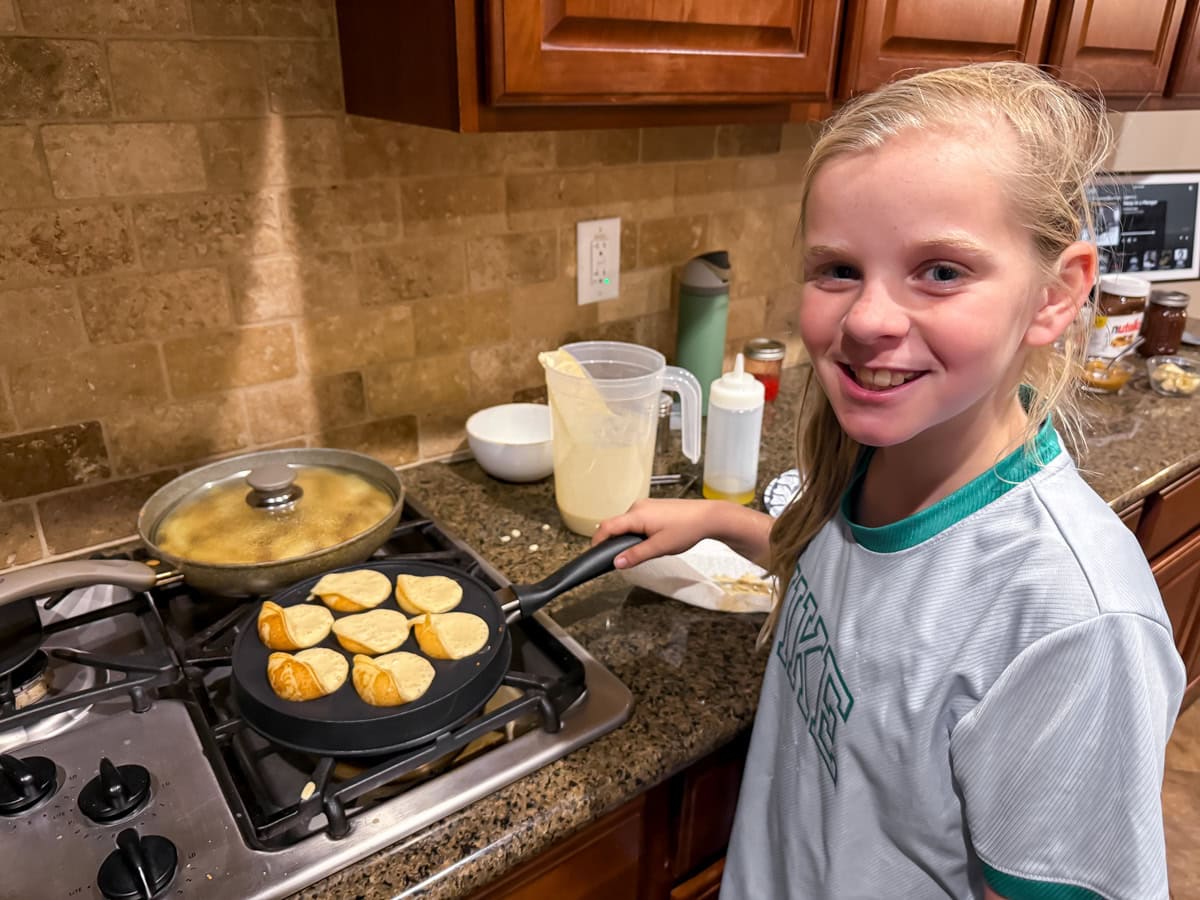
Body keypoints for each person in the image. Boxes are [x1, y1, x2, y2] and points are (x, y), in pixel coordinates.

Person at [594, 62, 1185, 899]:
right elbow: (875, 611)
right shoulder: (881, 460)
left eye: (941, 271)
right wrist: (720, 523)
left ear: (1056, 296)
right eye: (838, 269)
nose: (869, 319)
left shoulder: (1073, 627)